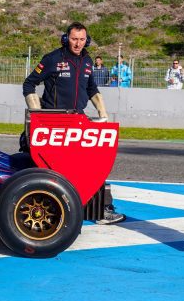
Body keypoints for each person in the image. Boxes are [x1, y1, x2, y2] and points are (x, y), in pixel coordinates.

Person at [22, 21, 124, 225]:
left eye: (82, 39)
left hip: (78, 121)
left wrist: (103, 115)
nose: (78, 43)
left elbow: (92, 89)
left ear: (87, 40)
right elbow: (29, 83)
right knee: (44, 166)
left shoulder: (87, 61)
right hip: (53, 123)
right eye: (74, 39)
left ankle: (101, 210)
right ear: (66, 38)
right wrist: (37, 115)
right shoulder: (53, 58)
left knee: (92, 162)